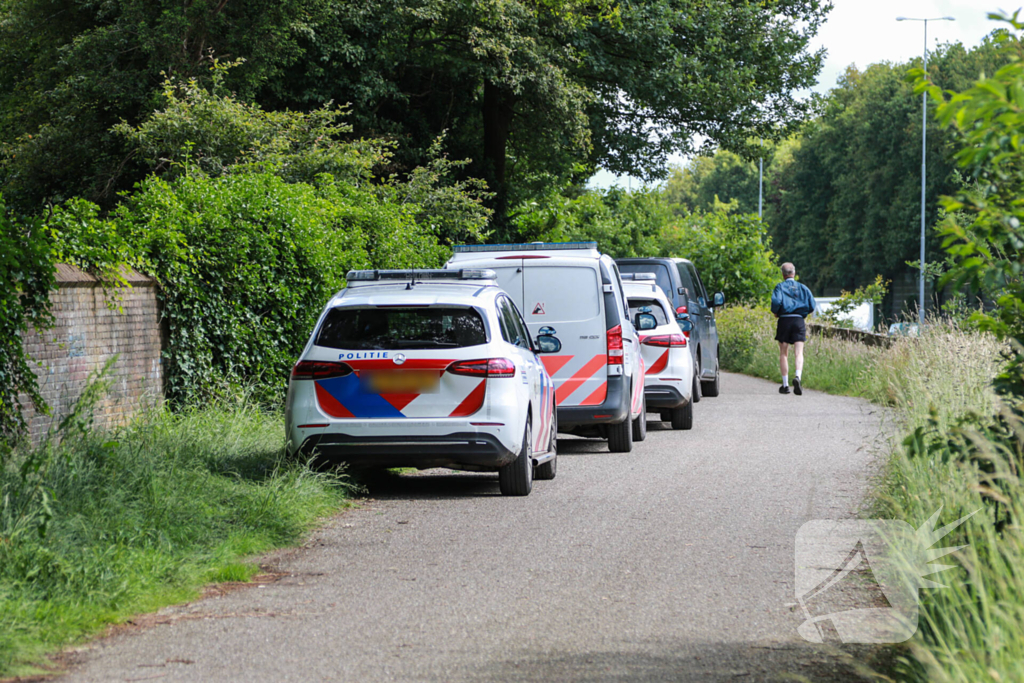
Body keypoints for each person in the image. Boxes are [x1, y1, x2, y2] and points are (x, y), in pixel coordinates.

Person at [770, 262, 816, 395]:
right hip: (798, 320)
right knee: (799, 352)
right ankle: (798, 376)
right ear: (794, 273)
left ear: (783, 274)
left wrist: (776, 312)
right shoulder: (803, 287)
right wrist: (804, 312)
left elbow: (776, 302)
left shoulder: (779, 287)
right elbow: (812, 304)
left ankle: (785, 385)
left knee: (783, 353)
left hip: (784, 319)